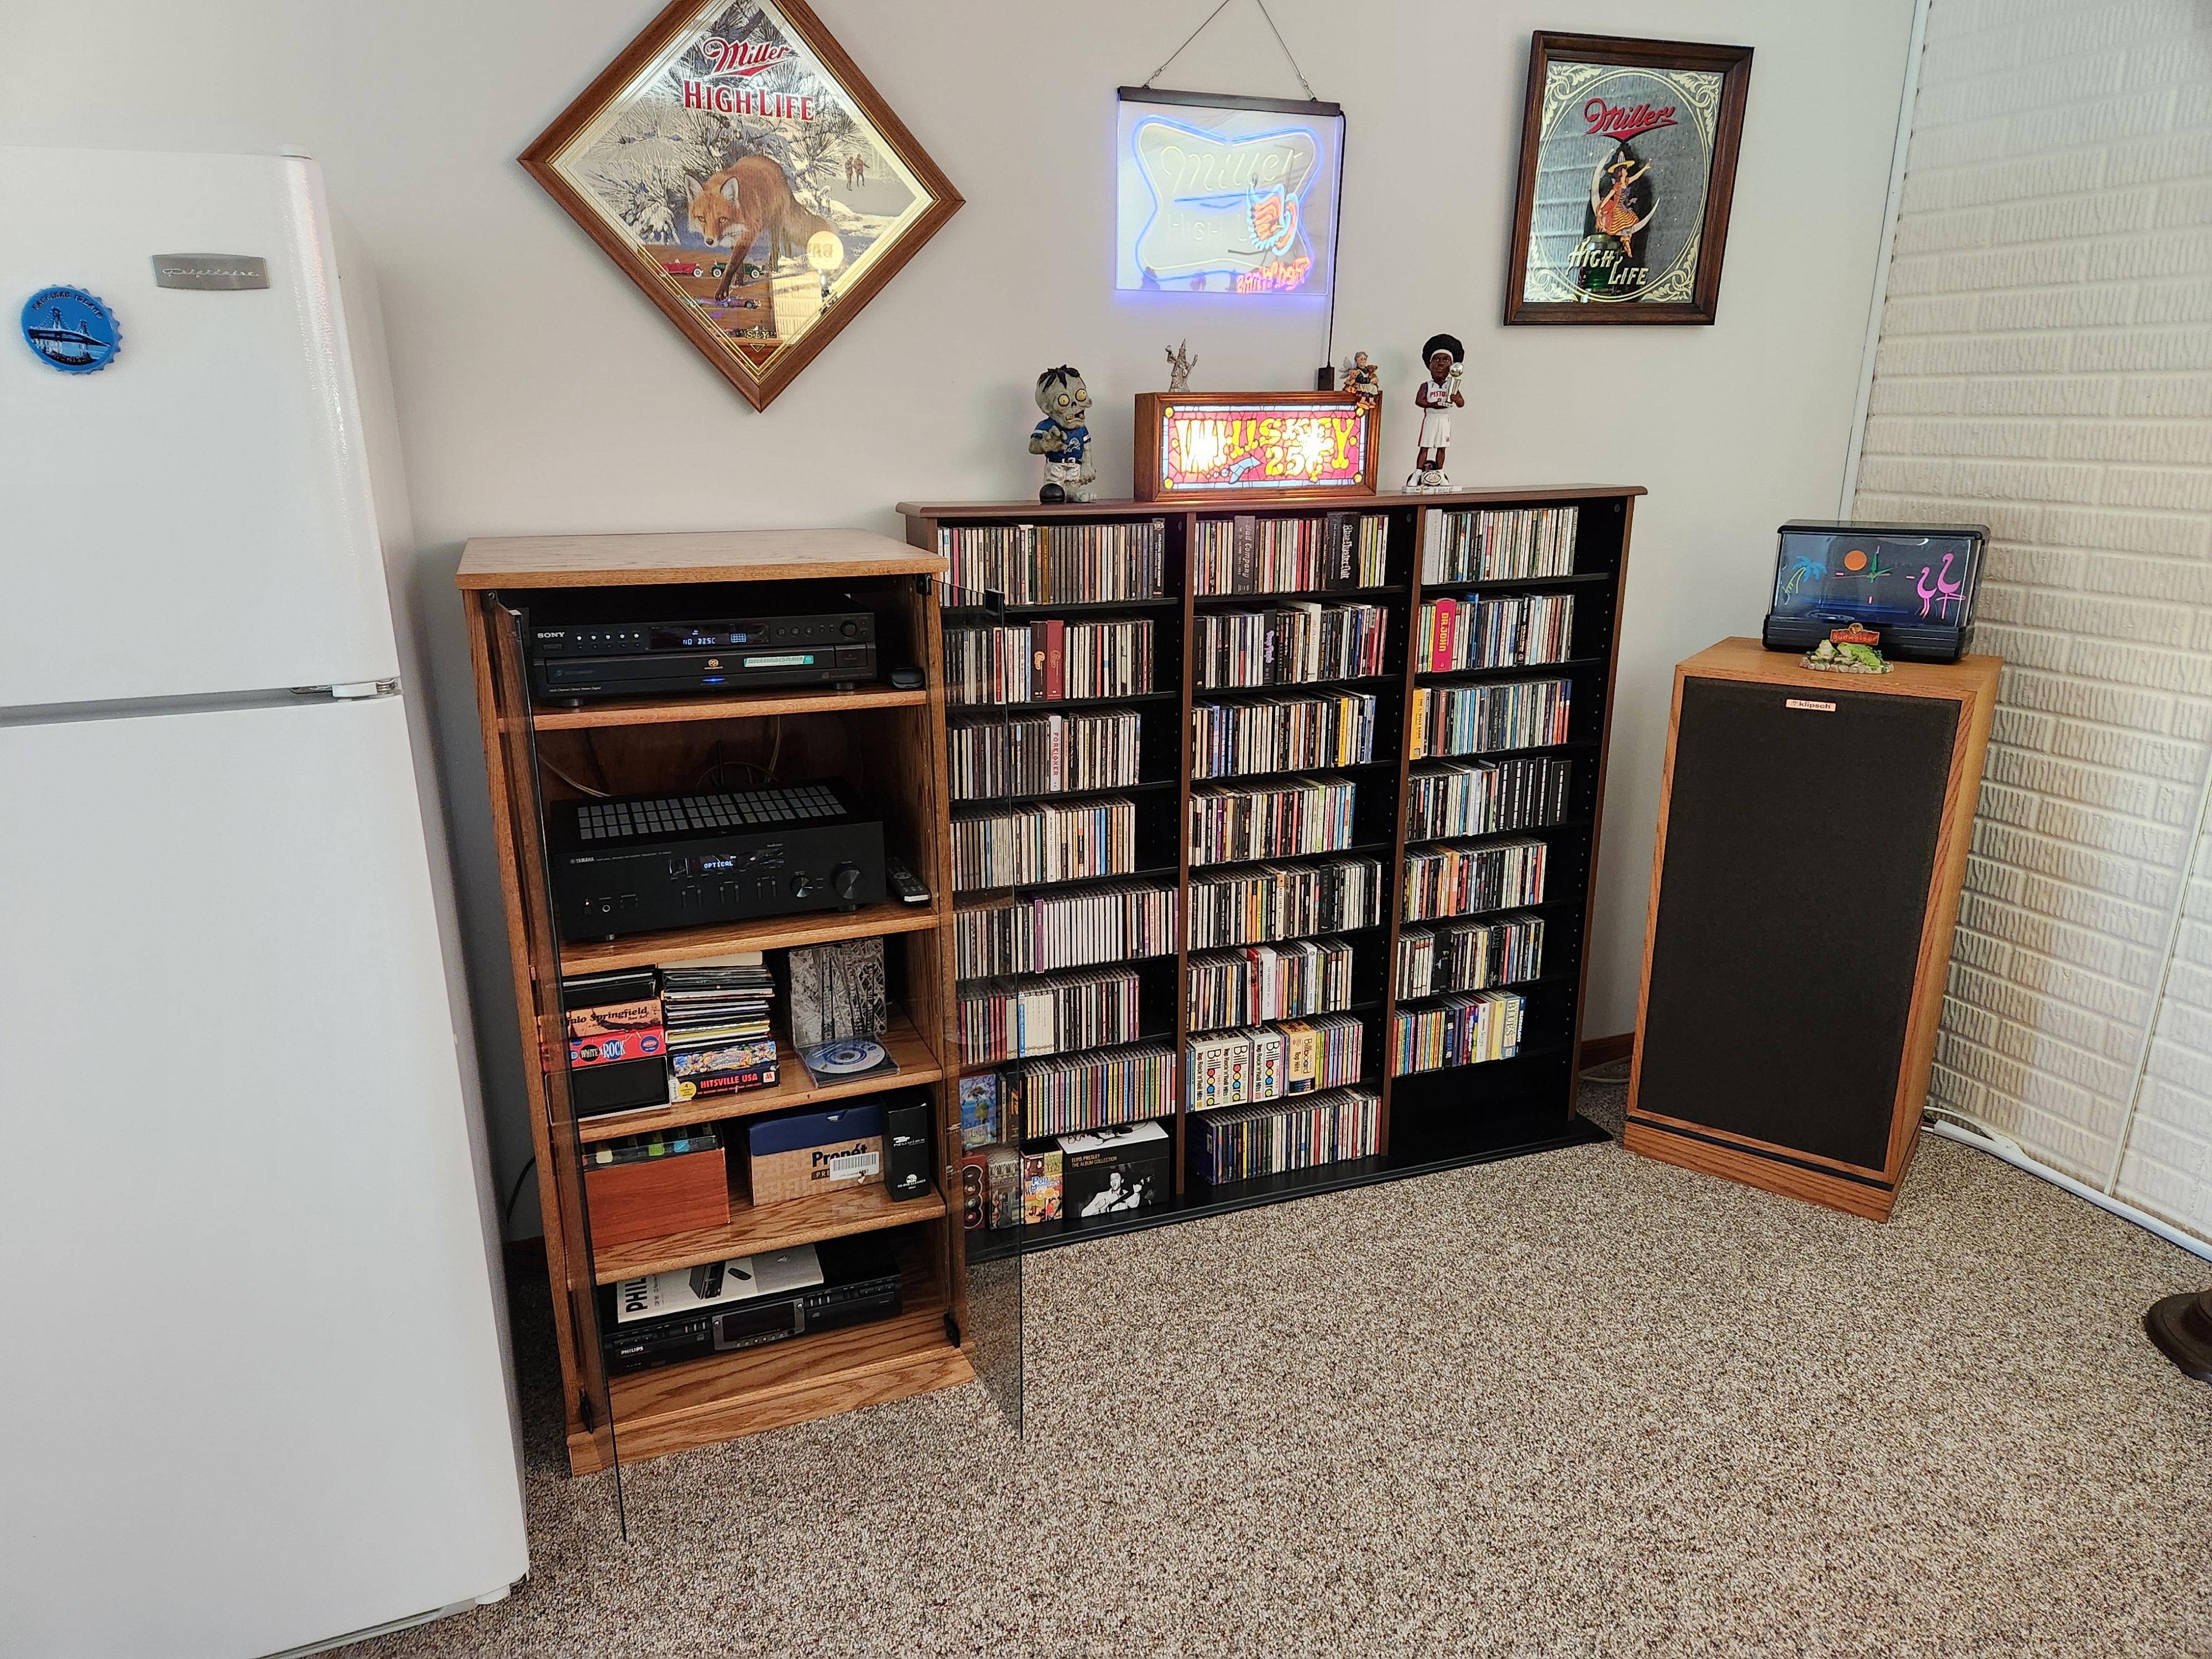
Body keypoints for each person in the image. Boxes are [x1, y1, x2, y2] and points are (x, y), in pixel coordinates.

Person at [1407, 332, 1464, 490]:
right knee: (1425, 447)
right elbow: (1419, 401)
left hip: (1444, 420)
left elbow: (1461, 403)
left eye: (1446, 360)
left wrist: (1455, 398)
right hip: (1431, 418)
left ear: (1452, 366)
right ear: (1430, 364)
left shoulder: (1452, 385)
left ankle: (1440, 472)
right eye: (1437, 360)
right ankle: (1418, 473)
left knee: (1442, 447)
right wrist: (1433, 405)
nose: (1441, 364)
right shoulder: (1427, 385)